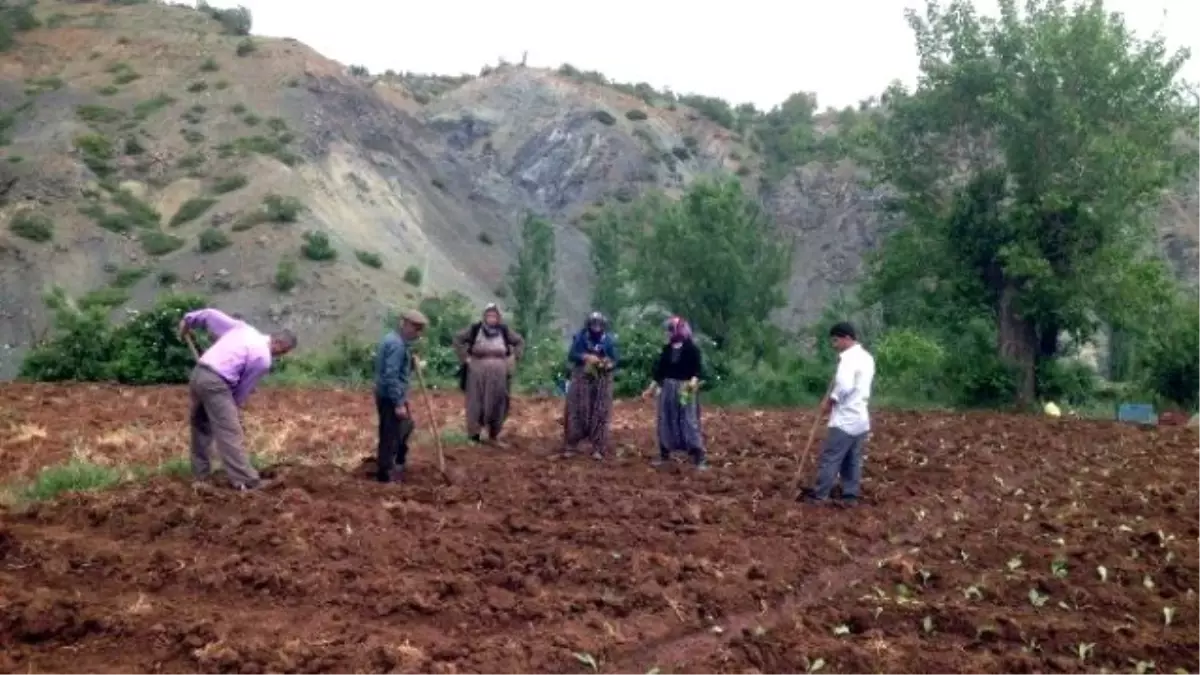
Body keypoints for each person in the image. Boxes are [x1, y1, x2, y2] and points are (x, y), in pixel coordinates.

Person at [177, 308, 297, 490]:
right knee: (230, 432)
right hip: (216, 383)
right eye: (284, 352)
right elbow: (242, 389)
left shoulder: (244, 329)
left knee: (201, 426)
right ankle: (247, 481)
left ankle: (200, 477)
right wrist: (233, 410)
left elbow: (209, 314)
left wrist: (188, 321)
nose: (280, 355)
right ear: (280, 344)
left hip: (199, 375)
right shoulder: (263, 358)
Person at [802, 321, 875, 507]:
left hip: (845, 418)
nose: (835, 346)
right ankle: (850, 495)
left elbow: (845, 386)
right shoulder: (867, 357)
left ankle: (820, 495)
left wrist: (831, 400)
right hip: (861, 418)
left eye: (836, 341)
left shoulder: (848, 359)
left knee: (831, 457)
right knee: (852, 459)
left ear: (847, 338)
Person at [641, 316, 708, 470]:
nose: (669, 333)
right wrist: (650, 390)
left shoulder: (692, 349)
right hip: (668, 388)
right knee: (665, 419)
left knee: (689, 420)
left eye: (671, 330)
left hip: (686, 388)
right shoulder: (667, 349)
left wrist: (693, 381)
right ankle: (665, 453)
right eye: (668, 330)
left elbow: (697, 371)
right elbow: (659, 373)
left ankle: (698, 456)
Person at [453, 304, 525, 445]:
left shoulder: (504, 330)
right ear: (484, 317)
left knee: (498, 400)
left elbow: (519, 341)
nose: (491, 319)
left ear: (499, 318)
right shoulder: (475, 329)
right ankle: (474, 435)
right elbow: (458, 339)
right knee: (475, 401)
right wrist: (465, 357)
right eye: (489, 315)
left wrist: (514, 358)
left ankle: (494, 434)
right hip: (477, 370)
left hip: (499, 371)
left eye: (494, 316)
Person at [373, 309, 428, 483]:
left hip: (390, 394)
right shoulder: (396, 344)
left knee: (403, 427)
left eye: (420, 329)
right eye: (415, 328)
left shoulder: (395, 341)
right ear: (404, 324)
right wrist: (398, 403)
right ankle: (386, 473)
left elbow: (395, 369)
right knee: (391, 433)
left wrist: (411, 364)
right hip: (390, 396)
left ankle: (396, 463)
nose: (418, 333)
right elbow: (391, 376)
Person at [563, 311, 619, 460]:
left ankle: (598, 447)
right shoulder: (581, 337)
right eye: (593, 324)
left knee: (600, 411)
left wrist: (607, 363)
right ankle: (572, 444)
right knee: (577, 409)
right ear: (588, 325)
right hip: (581, 378)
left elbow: (615, 360)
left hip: (602, 379)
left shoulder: (608, 340)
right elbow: (572, 354)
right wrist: (586, 356)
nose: (596, 327)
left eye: (599, 324)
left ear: (603, 326)